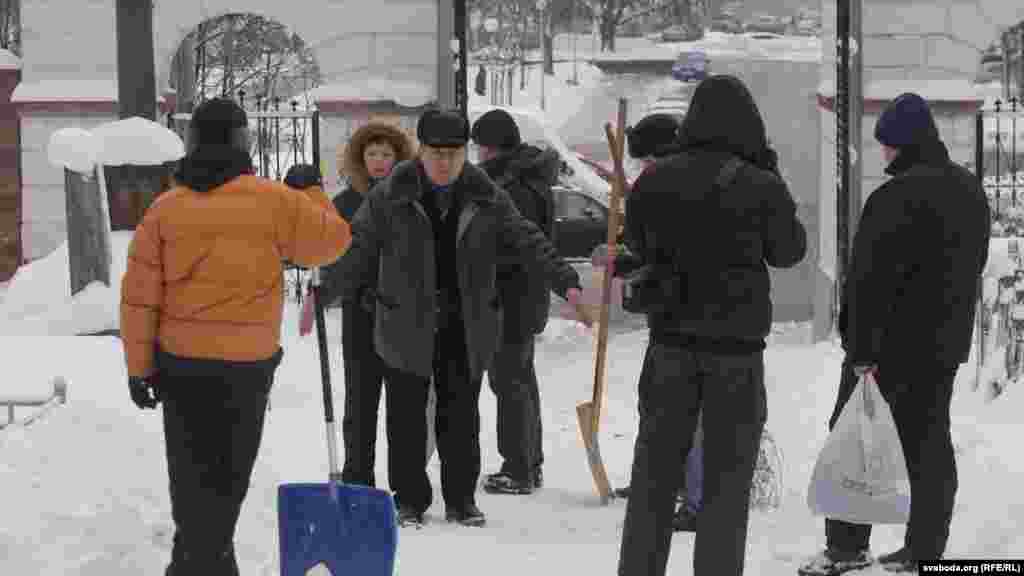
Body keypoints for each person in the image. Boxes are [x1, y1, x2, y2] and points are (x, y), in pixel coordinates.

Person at [120, 97, 352, 576]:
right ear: (243, 142)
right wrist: (309, 192)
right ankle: (199, 566)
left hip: (181, 367)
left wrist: (139, 368)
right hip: (245, 369)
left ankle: (201, 565)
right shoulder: (274, 201)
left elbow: (141, 297)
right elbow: (332, 241)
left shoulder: (165, 209)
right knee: (227, 481)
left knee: (190, 481)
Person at [340, 107, 588, 528]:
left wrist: (566, 280)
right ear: (420, 151)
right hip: (406, 322)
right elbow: (359, 246)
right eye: (436, 153)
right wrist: (326, 285)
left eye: (454, 153)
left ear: (465, 153)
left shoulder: (486, 193)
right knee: (406, 419)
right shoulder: (390, 194)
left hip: (464, 323)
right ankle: (409, 499)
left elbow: (527, 238)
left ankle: (461, 499)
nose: (444, 162)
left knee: (460, 417)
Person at [612, 75, 807, 576]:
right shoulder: (759, 182)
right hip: (736, 356)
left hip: (670, 348)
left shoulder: (654, 180)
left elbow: (635, 244)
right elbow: (789, 251)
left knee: (654, 476)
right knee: (726, 483)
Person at [798, 93, 990, 576]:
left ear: (902, 145)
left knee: (854, 442)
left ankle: (846, 548)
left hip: (886, 349)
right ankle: (926, 551)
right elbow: (976, 265)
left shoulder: (892, 198)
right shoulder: (970, 192)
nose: (882, 154)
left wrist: (859, 348)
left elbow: (866, 281)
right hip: (943, 347)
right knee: (928, 443)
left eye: (886, 145)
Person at [592, 112, 704, 532]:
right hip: (673, 319)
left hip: (690, 322)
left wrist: (622, 258)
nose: (641, 170)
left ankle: (692, 497)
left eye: (644, 162)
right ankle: (665, 484)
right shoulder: (664, 187)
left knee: (684, 414)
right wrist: (622, 257)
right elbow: (649, 250)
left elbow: (659, 254)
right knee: (656, 404)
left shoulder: (676, 190)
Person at [299, 121, 416, 488]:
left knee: (403, 405)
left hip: (401, 316)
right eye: (372, 154)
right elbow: (332, 258)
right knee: (360, 403)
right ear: (359, 159)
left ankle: (405, 485)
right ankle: (357, 479)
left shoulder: (409, 200)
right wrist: (319, 294)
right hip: (360, 314)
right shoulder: (345, 204)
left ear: (398, 158)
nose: (379, 161)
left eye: (386, 154)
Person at [470, 109, 558, 495]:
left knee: (509, 382)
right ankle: (528, 463)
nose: (475, 154)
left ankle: (519, 467)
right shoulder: (528, 177)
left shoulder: (513, 187)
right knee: (520, 380)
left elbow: (514, 245)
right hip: (523, 296)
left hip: (510, 297)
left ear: (491, 147)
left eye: (478, 146)